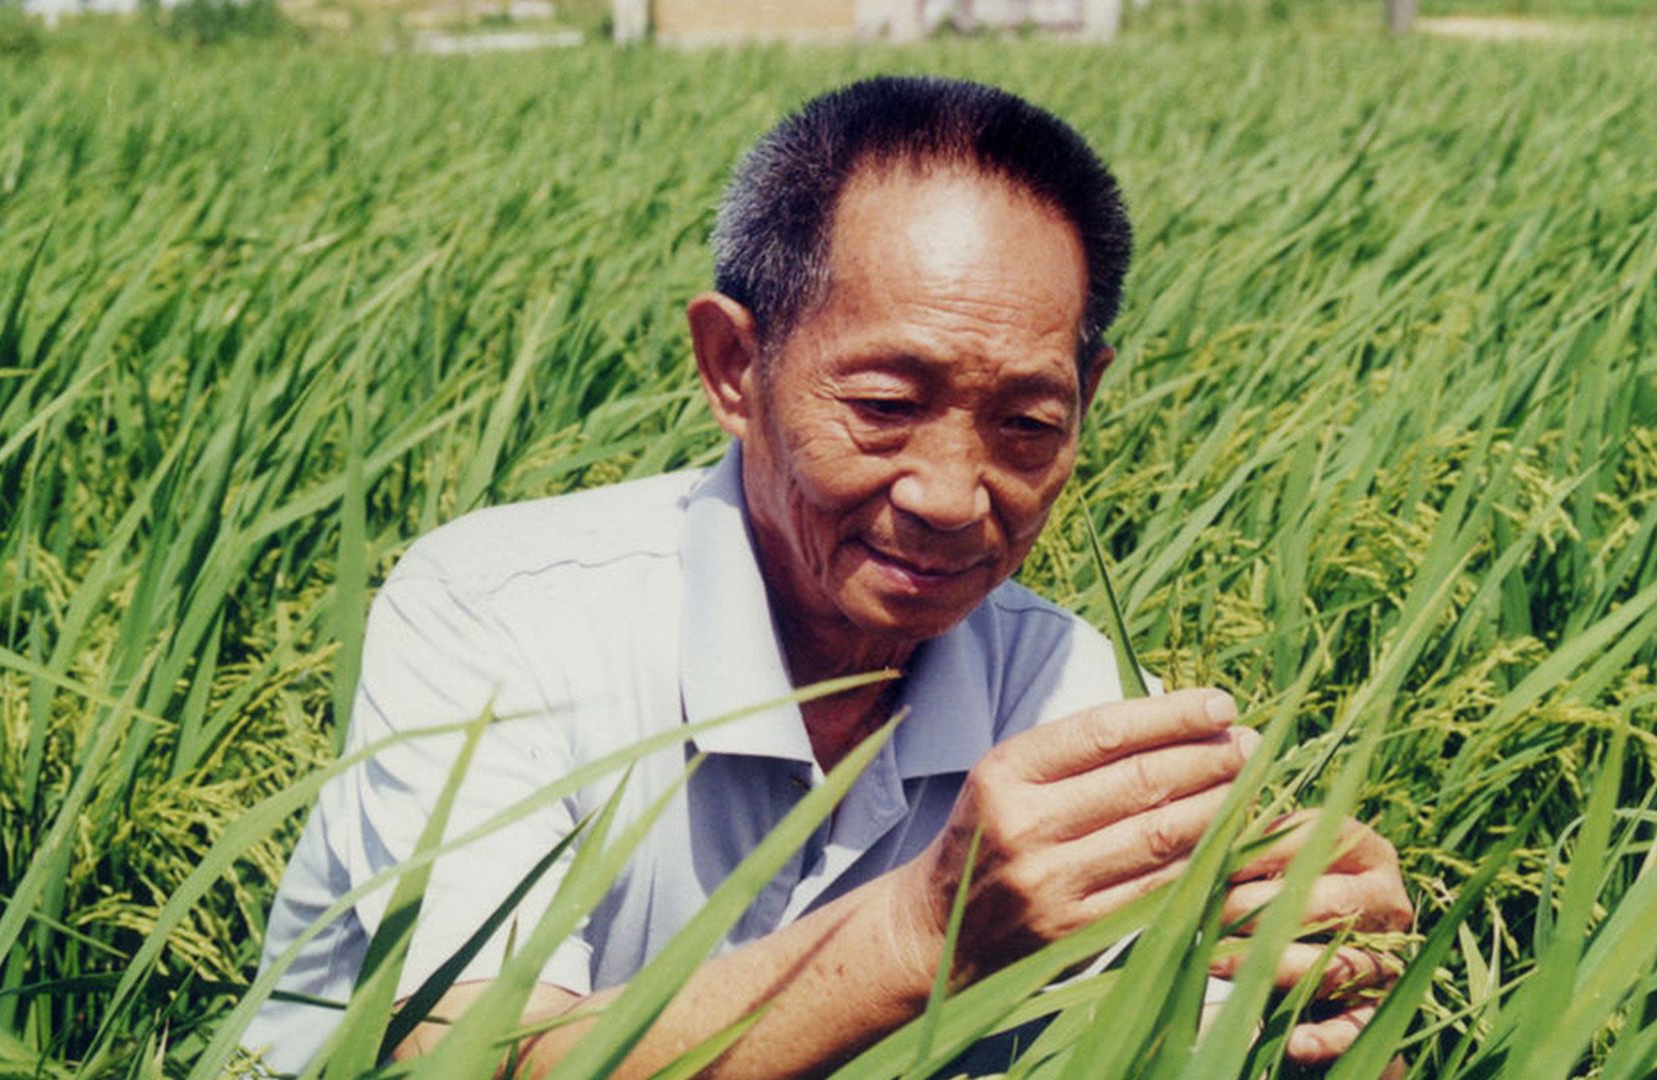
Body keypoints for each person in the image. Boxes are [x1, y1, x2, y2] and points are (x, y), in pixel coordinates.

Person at [244, 75, 1412, 1076]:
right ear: (734, 365)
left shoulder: (1061, 679)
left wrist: (1312, 988)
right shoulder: (494, 613)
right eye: (886, 407)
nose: (952, 495)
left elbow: (1153, 1031)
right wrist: (925, 932)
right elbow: (461, 1056)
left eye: (1027, 423)